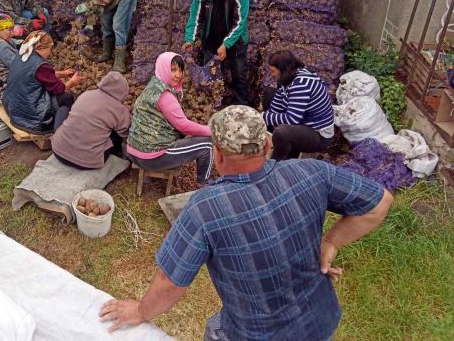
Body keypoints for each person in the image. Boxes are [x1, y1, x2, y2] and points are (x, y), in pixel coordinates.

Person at [100, 105, 394, 341]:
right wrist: (331, 242)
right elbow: (380, 202)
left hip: (254, 333)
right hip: (320, 321)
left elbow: (169, 283)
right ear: (267, 144)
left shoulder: (205, 210)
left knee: (217, 331)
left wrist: (140, 310)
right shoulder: (312, 172)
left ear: (217, 155)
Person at [126, 52, 213, 183]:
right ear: (164, 68)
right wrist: (210, 130)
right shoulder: (165, 95)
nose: (178, 75)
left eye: (180, 70)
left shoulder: (154, 84)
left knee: (164, 131)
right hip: (151, 157)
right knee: (207, 143)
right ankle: (205, 183)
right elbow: (183, 126)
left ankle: (147, 176)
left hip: (133, 151)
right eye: (173, 70)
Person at [182, 0, 250, 106]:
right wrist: (190, 40)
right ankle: (212, 106)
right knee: (210, 75)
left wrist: (226, 44)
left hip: (236, 40)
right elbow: (194, 17)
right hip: (212, 40)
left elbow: (240, 23)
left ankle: (241, 106)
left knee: (238, 74)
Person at [2, 31, 82, 133]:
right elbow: (59, 89)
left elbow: (35, 75)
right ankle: (63, 128)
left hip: (14, 110)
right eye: (49, 49)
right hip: (33, 118)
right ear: (41, 48)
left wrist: (62, 73)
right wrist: (72, 82)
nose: (50, 52)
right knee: (67, 96)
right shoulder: (41, 66)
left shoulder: (22, 55)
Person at [262, 50, 335, 160]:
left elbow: (292, 119)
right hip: (303, 120)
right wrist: (263, 118)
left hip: (318, 134)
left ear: (283, 70)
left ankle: (277, 162)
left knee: (282, 132)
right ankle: (275, 139)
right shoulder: (288, 76)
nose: (271, 74)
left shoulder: (301, 84)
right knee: (269, 94)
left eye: (273, 71)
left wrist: (263, 117)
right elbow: (276, 105)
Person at [51, 71, 131, 170]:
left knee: (63, 110)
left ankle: (64, 139)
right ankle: (115, 153)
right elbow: (125, 133)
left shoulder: (86, 94)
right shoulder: (120, 110)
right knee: (116, 136)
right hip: (87, 162)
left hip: (58, 151)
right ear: (123, 92)